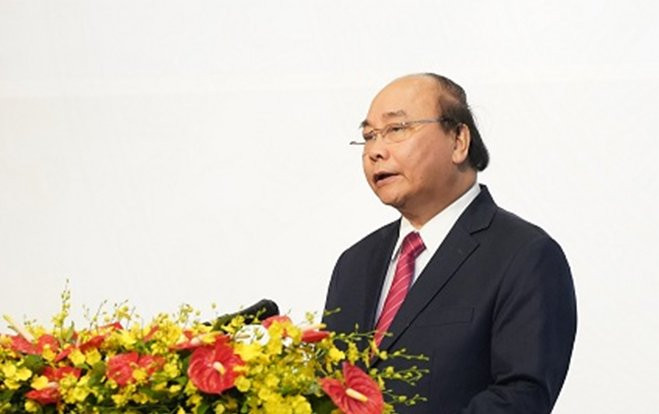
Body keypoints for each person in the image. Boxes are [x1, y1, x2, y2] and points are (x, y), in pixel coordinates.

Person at [323, 73, 577, 413]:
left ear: (458, 140)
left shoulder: (525, 255)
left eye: (396, 129)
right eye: (369, 136)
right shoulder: (354, 263)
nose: (375, 151)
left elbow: (521, 397)